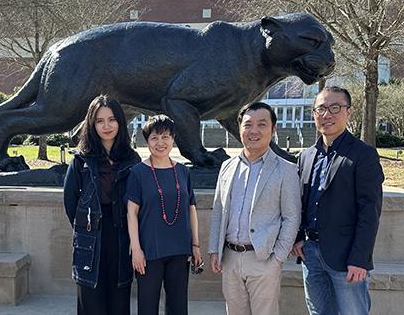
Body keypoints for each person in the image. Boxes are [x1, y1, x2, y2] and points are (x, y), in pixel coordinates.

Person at [290, 86, 384, 315]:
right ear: (314, 114)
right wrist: (298, 238)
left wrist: (360, 259)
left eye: (335, 108)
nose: (327, 115)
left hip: (346, 258)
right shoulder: (306, 156)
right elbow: (299, 203)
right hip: (310, 254)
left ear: (348, 112)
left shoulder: (363, 155)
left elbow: (369, 211)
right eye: (321, 109)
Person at [207, 101, 302, 315]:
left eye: (262, 124)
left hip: (263, 258)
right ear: (239, 128)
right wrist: (215, 249)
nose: (254, 131)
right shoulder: (227, 167)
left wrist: (277, 259)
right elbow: (219, 211)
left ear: (273, 129)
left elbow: (291, 217)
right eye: (248, 124)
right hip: (230, 257)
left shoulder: (286, 170)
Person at [63, 95, 141, 315]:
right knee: (91, 303)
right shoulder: (81, 160)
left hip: (121, 236)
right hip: (90, 238)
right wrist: (86, 230)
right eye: (99, 121)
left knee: (119, 302)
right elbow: (70, 203)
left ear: (120, 123)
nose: (106, 126)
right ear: (91, 124)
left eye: (112, 119)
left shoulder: (131, 159)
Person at [126, 115, 202, 315]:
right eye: (154, 138)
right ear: (147, 141)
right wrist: (136, 249)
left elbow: (191, 209)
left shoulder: (183, 172)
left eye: (165, 136)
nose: (160, 142)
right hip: (149, 251)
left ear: (173, 138)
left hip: (179, 249)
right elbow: (131, 213)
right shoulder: (138, 172)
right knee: (147, 306)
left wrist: (195, 245)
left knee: (178, 306)